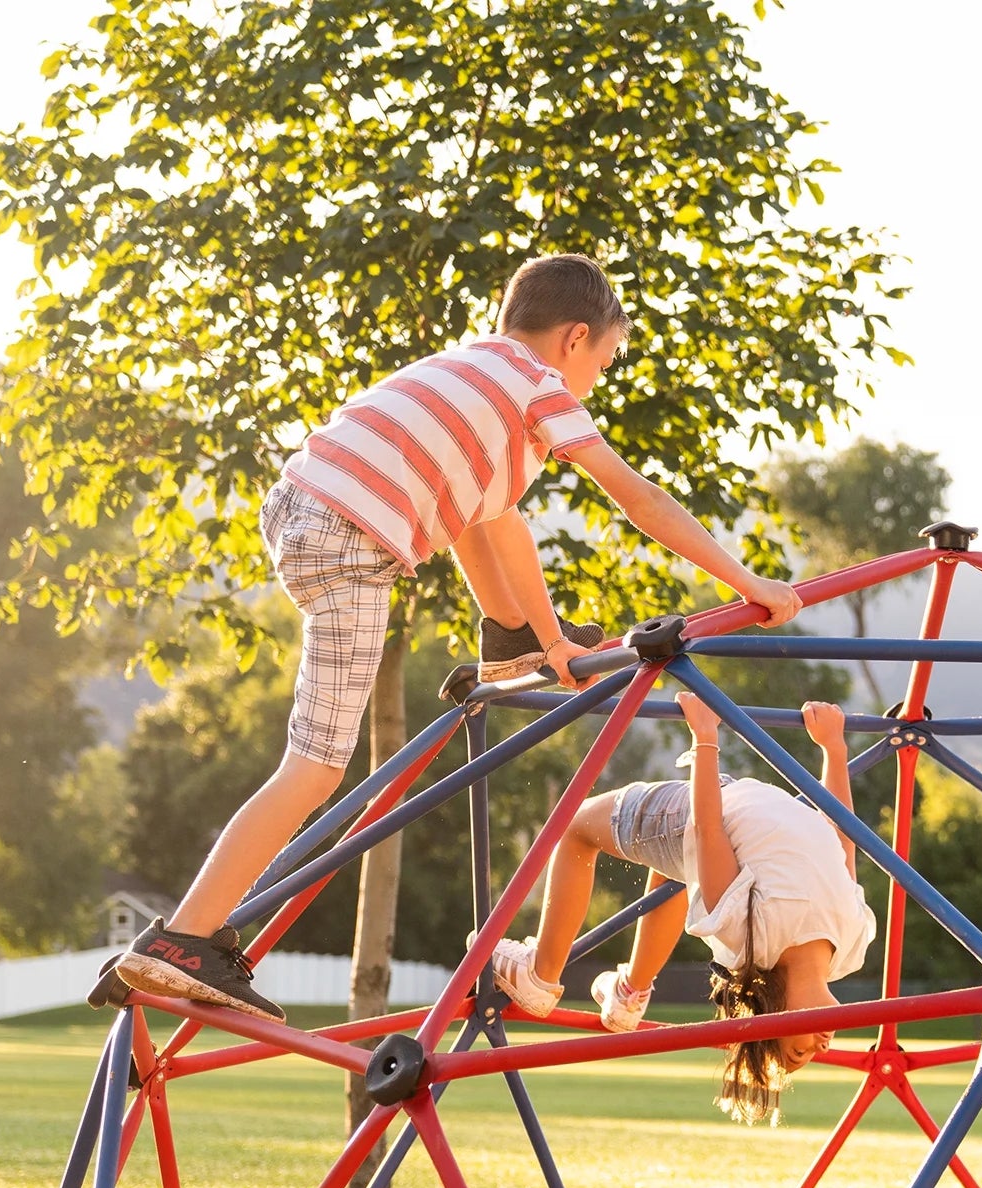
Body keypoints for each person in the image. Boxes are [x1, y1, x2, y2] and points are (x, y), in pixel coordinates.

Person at [101, 252, 800, 1023]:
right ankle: (183, 939)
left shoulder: (475, 373)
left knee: (493, 532)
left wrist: (542, 639)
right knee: (314, 766)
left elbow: (487, 520)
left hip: (306, 501)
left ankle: (508, 638)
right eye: (603, 360)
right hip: (349, 539)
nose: (595, 380)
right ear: (575, 339)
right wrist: (749, 583)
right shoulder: (542, 388)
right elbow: (638, 498)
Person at [492, 693, 875, 1126]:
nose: (822, 1046)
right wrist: (834, 751)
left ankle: (541, 975)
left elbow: (705, 831)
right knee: (686, 876)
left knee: (574, 828)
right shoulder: (850, 946)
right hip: (730, 801)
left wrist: (705, 738)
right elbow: (843, 844)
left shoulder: (751, 933)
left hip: (696, 814)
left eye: (799, 1050)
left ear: (774, 1019)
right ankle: (629, 994)